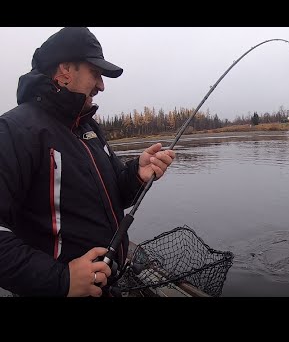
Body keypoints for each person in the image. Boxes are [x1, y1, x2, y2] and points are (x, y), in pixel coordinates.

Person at [0, 27, 176, 297]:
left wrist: (137, 174)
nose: (102, 85)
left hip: (106, 285)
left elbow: (116, 193)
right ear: (65, 71)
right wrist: (62, 279)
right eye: (96, 73)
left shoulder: (88, 127)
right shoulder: (14, 131)